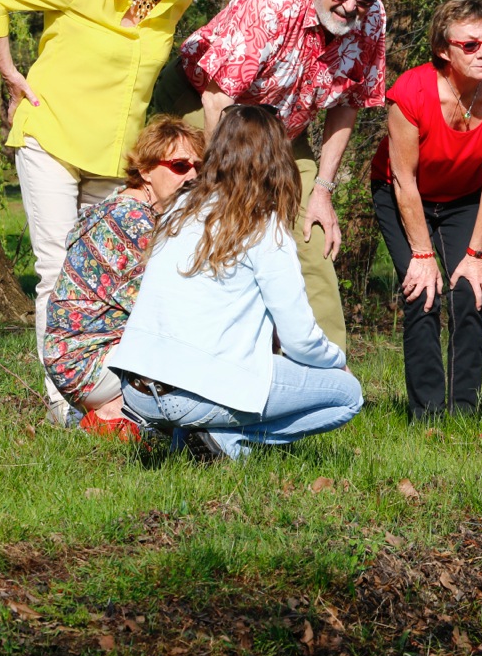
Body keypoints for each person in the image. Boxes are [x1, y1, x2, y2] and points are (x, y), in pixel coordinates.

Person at [0, 0, 204, 427]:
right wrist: (11, 76)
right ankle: (65, 404)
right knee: (59, 270)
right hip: (51, 137)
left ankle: (121, 395)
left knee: (118, 275)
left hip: (114, 153)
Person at [151, 0, 387, 353]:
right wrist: (220, 189)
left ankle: (328, 370)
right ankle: (180, 351)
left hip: (281, 129)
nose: (351, 7)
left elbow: (348, 104)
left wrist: (323, 191)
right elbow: (216, 99)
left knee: (312, 238)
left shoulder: (372, 20)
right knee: (204, 224)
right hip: (204, 104)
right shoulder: (273, 2)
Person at [110, 105, 364, 461]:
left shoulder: (180, 209)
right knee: (347, 394)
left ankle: (192, 438)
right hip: (192, 393)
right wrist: (335, 360)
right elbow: (300, 340)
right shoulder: (264, 227)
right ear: (279, 160)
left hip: (136, 390)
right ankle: (225, 443)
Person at [368, 0, 482, 421]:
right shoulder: (412, 92)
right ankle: (427, 414)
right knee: (422, 292)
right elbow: (405, 181)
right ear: (444, 49)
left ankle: (462, 413)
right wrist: (422, 255)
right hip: (403, 193)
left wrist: (476, 255)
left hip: (465, 198)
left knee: (468, 292)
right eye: (471, 45)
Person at [42, 118, 205, 442]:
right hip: (88, 360)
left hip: (78, 355)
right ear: (145, 170)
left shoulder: (130, 206)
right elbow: (176, 310)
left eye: (199, 167)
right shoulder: (132, 222)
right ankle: (114, 414)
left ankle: (127, 412)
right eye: (179, 165)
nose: (192, 177)